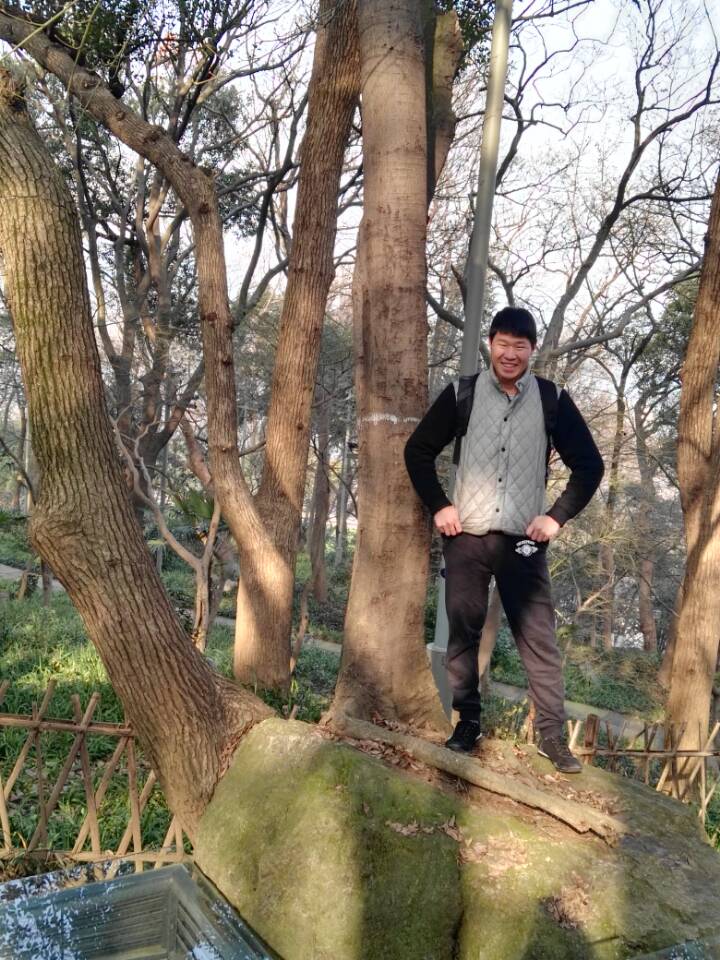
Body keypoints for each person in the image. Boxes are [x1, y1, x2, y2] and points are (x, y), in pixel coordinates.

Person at [404, 307, 604, 773]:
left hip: (523, 545)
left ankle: (551, 736)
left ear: (531, 350)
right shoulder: (464, 393)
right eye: (503, 343)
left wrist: (555, 518)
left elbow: (590, 465)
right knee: (463, 635)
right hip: (466, 538)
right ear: (490, 344)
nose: (510, 353)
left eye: (520, 345)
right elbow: (418, 450)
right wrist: (440, 505)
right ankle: (468, 723)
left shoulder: (552, 399)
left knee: (539, 641)